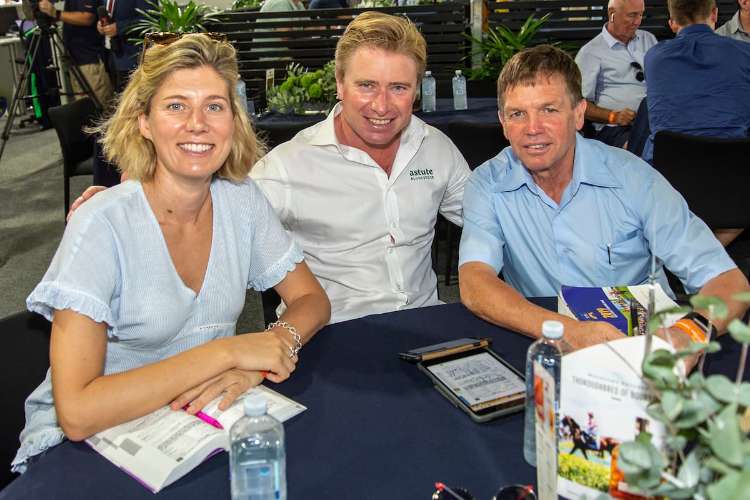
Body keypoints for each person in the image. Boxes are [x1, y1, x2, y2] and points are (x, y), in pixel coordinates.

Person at [11, 33, 330, 474]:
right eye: (176, 106)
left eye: (214, 106)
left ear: (233, 121)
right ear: (143, 122)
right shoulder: (100, 225)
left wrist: (267, 354)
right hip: (90, 445)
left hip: (192, 422)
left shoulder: (241, 200)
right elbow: (78, 414)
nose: (197, 123)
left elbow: (311, 299)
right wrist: (228, 353)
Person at [458, 45, 750, 352]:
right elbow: (475, 283)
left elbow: (728, 282)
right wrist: (567, 331)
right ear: (503, 122)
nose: (532, 128)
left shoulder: (634, 179)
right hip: (542, 340)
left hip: (643, 345)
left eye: (549, 110)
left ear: (578, 114)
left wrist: (685, 338)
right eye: (518, 114)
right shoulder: (488, 183)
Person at [250, 12, 471, 323]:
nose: (381, 106)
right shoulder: (287, 167)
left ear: (416, 89)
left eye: (398, 88)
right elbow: (221, 237)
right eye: (366, 85)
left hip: (427, 325)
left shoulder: (434, 147)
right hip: (335, 333)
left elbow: (489, 218)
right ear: (340, 84)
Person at [643, 0, 750, 246]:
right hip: (733, 185)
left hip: (669, 186)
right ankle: (708, 250)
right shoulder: (745, 54)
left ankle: (693, 252)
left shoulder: (654, 58)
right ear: (714, 14)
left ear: (672, 22)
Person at [574, 0, 657, 148]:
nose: (637, 22)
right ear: (612, 13)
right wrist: (614, 116)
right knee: (644, 148)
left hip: (655, 121)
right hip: (615, 128)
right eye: (632, 15)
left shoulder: (648, 39)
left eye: (641, 15)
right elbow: (578, 103)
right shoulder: (590, 52)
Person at [38, 0, 113, 106]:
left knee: (99, 107)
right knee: (83, 109)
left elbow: (88, 18)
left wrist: (56, 13)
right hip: (76, 60)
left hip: (90, 60)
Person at [97, 0, 148, 92]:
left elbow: (148, 19)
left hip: (134, 58)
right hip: (111, 55)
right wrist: (101, 25)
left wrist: (119, 28)